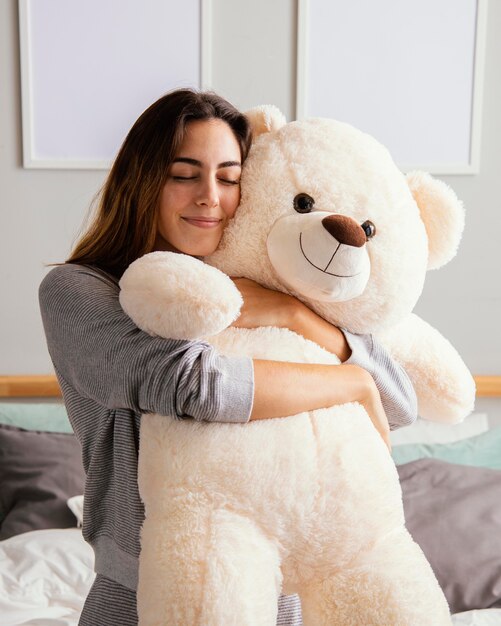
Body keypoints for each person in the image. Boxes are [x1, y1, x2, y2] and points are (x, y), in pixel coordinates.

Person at [39, 89, 417, 626]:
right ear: (142, 180)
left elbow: (400, 401)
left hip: (285, 595)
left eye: (229, 176)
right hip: (144, 593)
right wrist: (351, 384)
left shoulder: (283, 283)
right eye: (184, 173)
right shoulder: (79, 291)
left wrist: (295, 316)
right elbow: (191, 385)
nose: (209, 196)